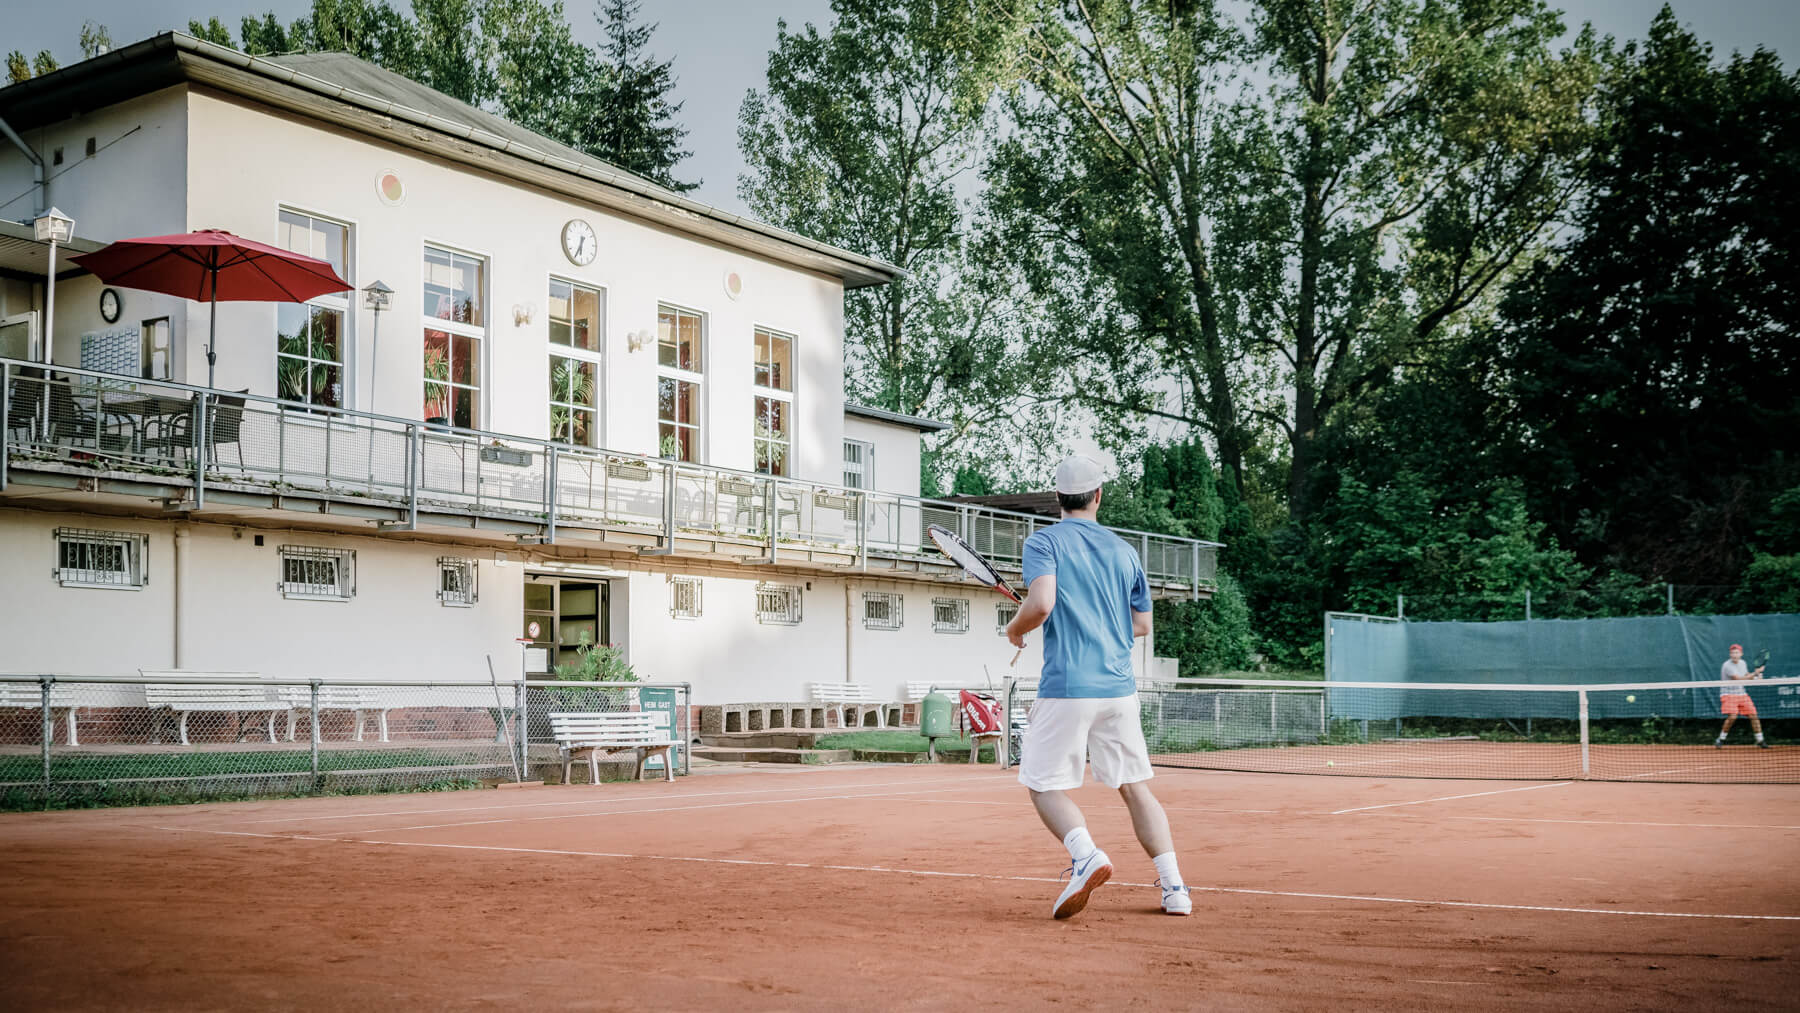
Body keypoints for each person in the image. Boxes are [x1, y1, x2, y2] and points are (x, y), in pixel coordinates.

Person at [1005, 455, 1190, 919]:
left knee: (1040, 783)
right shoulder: (1126, 552)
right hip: (1119, 690)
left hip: (1068, 685)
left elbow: (1042, 602)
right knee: (1135, 788)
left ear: (1058, 500)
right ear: (1098, 496)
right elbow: (1142, 625)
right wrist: (1102, 624)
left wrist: (1015, 628)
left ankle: (1085, 855)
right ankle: (1174, 889)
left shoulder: (1044, 542)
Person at [1715, 644, 1769, 749]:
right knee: (1733, 716)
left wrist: (1757, 677)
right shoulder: (1727, 665)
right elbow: (1738, 679)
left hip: (1742, 694)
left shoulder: (1743, 663)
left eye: (1737, 652)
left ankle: (1760, 740)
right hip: (1728, 694)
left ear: (1741, 654)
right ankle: (1721, 739)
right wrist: (1755, 673)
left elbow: (1746, 675)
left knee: (1754, 716)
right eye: (1732, 653)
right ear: (1730, 654)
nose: (1734, 655)